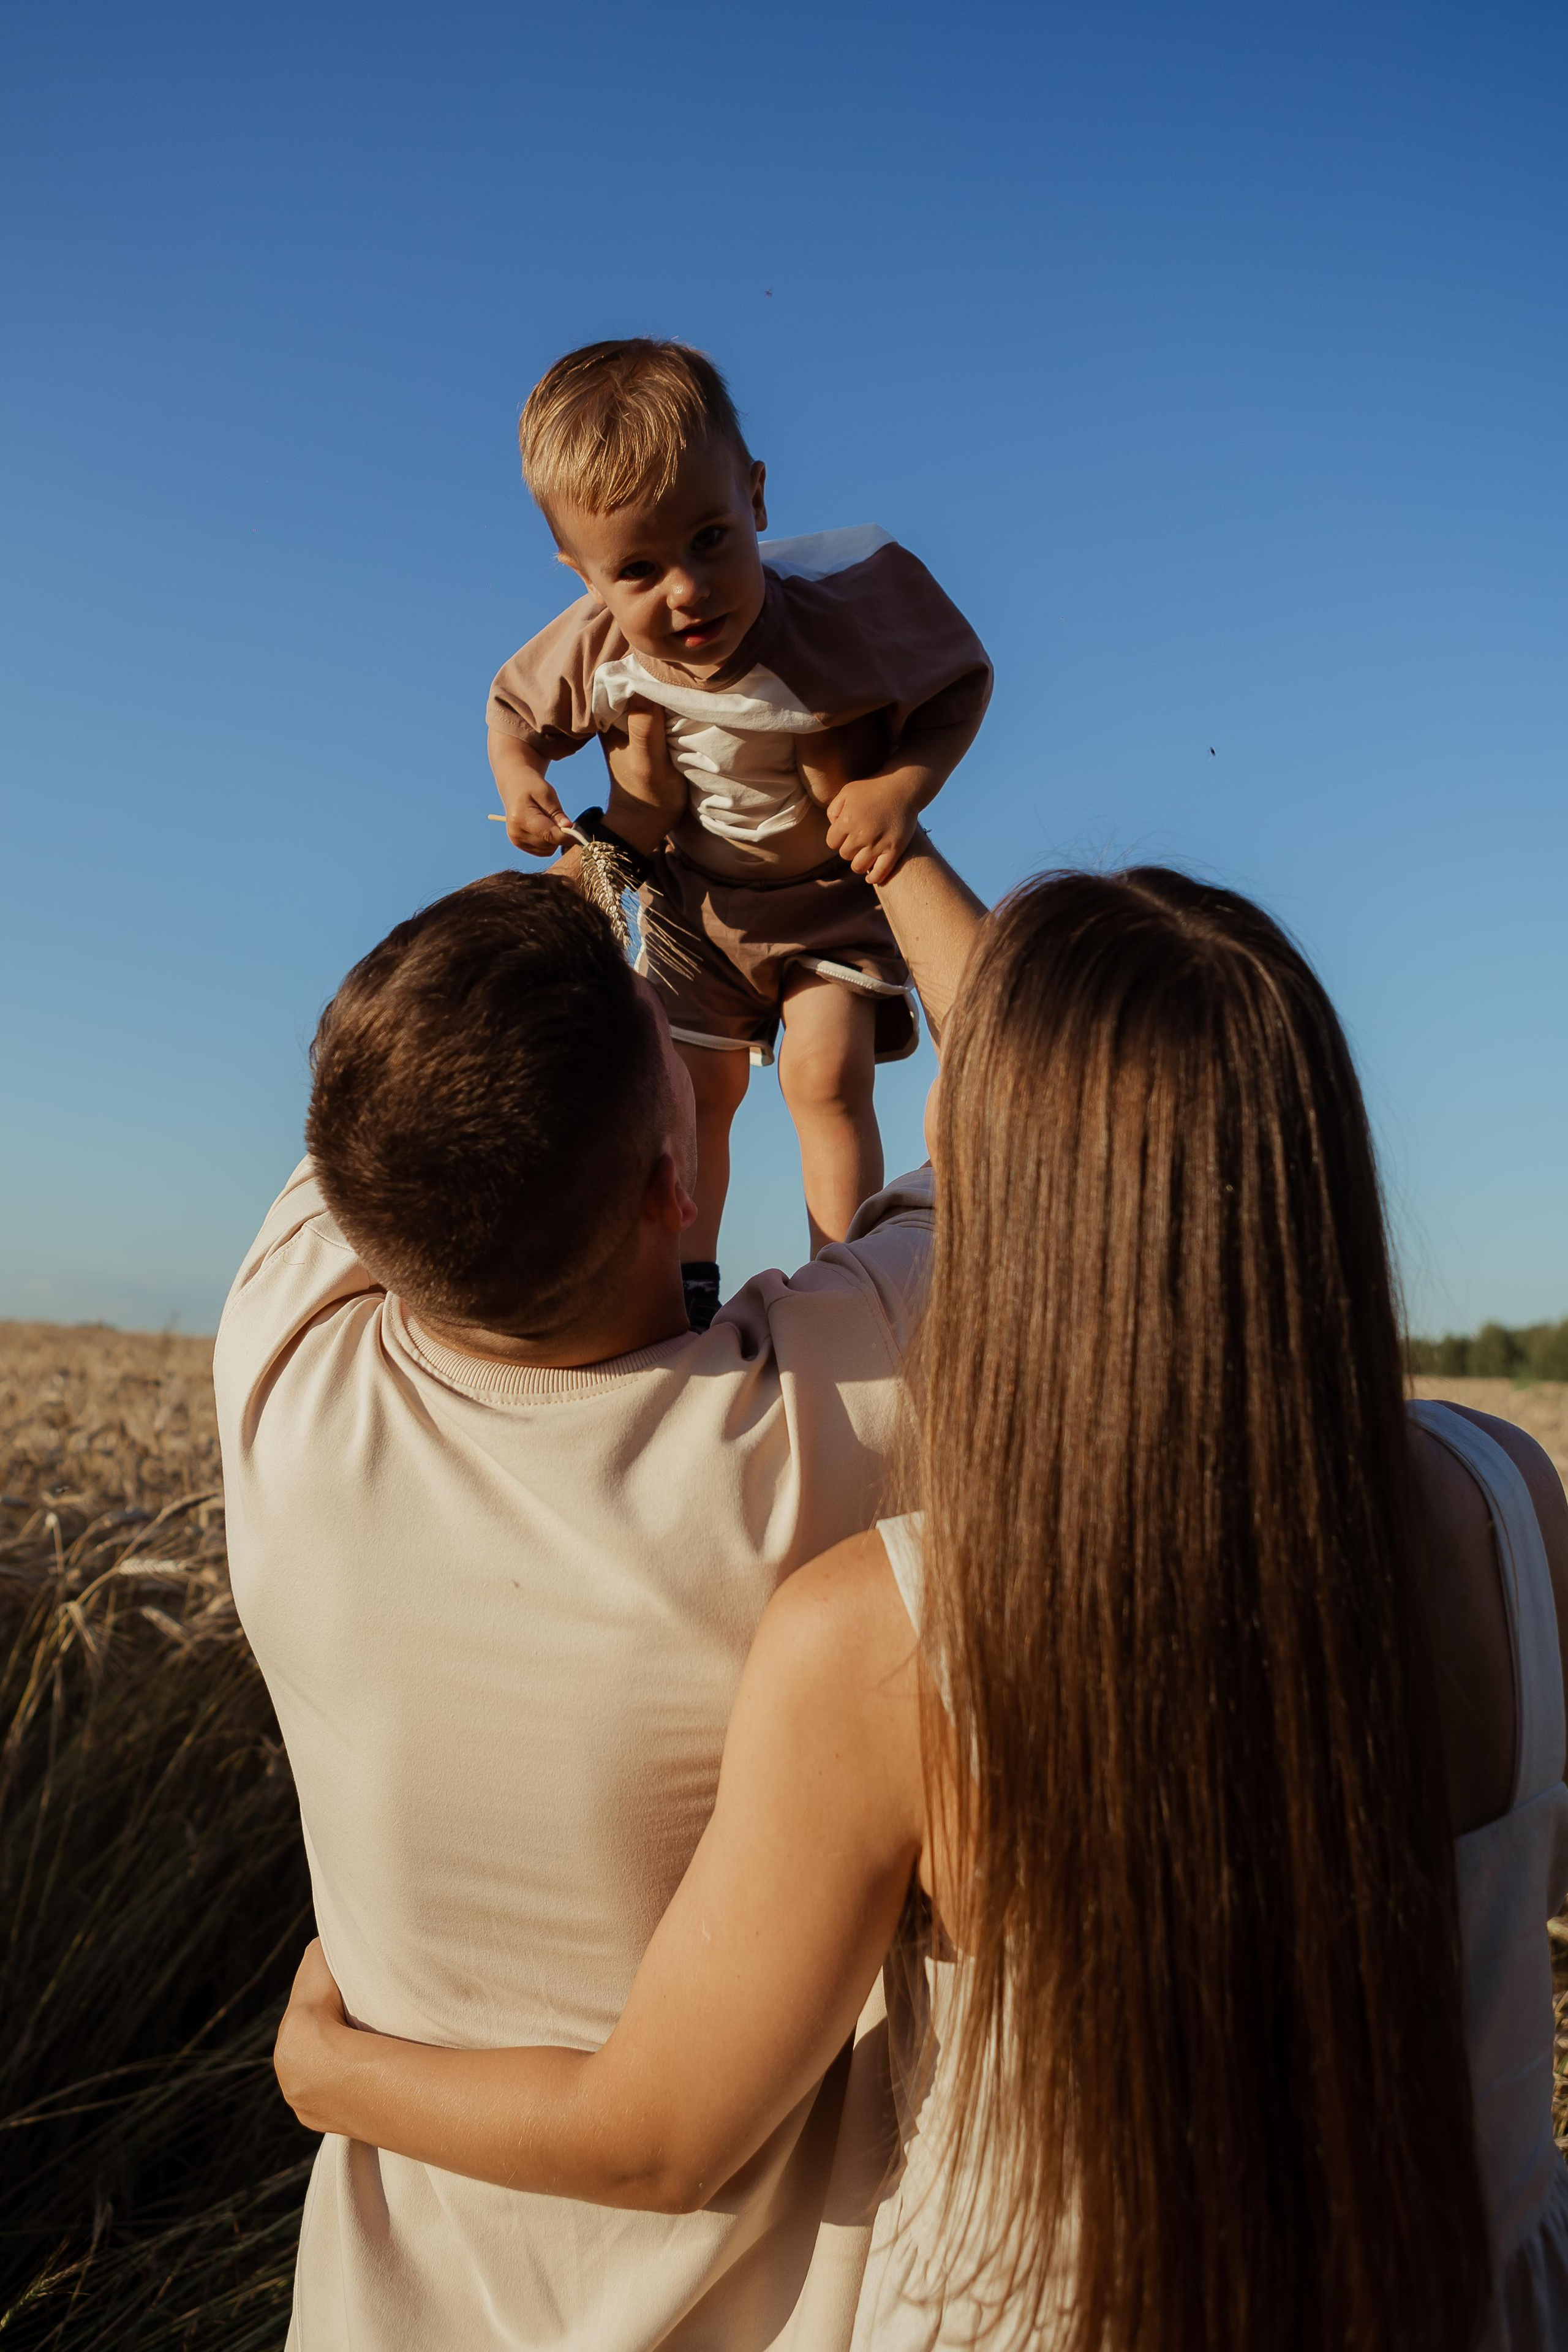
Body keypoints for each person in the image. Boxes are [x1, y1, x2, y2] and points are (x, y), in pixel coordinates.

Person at [276, 867, 1568, 2352]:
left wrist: (331, 2076)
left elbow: (658, 2137)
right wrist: (889, 850)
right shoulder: (1508, 1509)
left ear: (1010, 1192)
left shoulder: (897, 1644)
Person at [214, 824, 986, 2351]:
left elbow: (388, 1088)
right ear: (668, 1186)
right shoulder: (818, 1430)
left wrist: (597, 855)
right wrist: (868, 823)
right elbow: (1040, 1101)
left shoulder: (283, 1379)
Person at [487, 337, 992, 1322]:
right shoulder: (596, 647)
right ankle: (688, 1288)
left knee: (825, 1077)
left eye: (711, 539)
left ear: (757, 499)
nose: (687, 589)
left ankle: (849, 1288)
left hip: (828, 908)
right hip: (694, 911)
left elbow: (960, 681)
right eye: (638, 568)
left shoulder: (836, 620)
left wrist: (899, 790)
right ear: (582, 574)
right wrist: (520, 784)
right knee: (691, 1093)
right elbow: (513, 713)